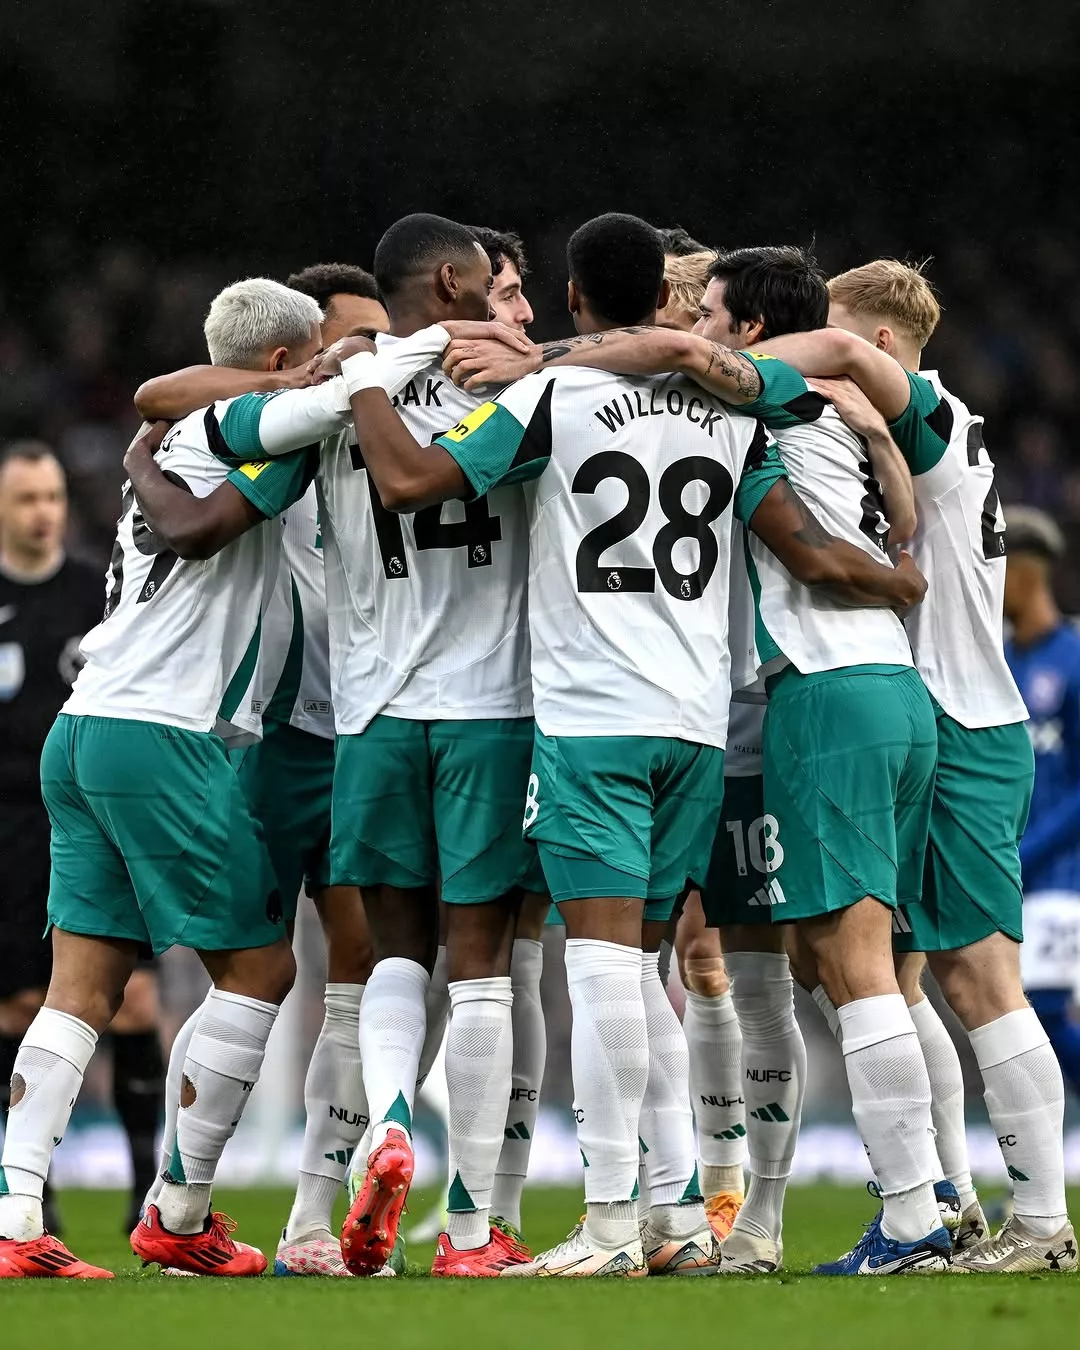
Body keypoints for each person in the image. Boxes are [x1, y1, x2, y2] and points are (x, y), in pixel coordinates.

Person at [344, 213, 926, 1277]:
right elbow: (797, 538)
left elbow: (414, 483)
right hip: (700, 725)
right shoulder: (726, 411)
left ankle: (611, 1220)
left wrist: (367, 381)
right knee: (662, 970)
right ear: (658, 297)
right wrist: (898, 563)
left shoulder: (554, 396)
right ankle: (673, 1217)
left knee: (606, 970)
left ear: (572, 299)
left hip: (593, 717)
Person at [195, 214, 538, 1278]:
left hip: (371, 716)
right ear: (451, 280)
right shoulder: (518, 388)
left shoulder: (337, 398)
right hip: (490, 707)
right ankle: (472, 1229)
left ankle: (387, 1121)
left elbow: (192, 415)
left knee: (390, 956)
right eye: (488, 281)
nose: (501, 299)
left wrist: (351, 374)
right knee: (479, 970)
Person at [0, 279, 328, 1279]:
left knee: (80, 988)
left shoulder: (177, 434)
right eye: (311, 356)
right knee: (262, 969)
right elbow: (212, 520)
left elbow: (161, 398)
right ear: (279, 368)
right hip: (159, 734)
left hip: (85, 726)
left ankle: (14, 1224)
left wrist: (149, 435)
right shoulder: (257, 440)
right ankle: (180, 1213)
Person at [753, 259, 1074, 1273]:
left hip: (951, 717)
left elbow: (839, 354)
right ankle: (955, 1197)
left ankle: (1028, 1223)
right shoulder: (938, 437)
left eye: (836, 339)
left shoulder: (928, 407)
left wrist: (722, 358)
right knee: (877, 969)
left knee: (975, 981)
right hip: (951, 716)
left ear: (884, 349)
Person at [133, 266, 393, 1277]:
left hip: (369, 731)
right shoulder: (263, 415)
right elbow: (162, 396)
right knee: (250, 974)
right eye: (351, 336)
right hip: (270, 734)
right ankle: (182, 1199)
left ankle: (313, 1224)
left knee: (363, 976)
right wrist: (312, 381)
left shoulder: (396, 420)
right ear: (294, 353)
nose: (372, 351)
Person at [0, 440, 165, 1239]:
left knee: (133, 1002)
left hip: (90, 815)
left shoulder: (91, 595)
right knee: (18, 1007)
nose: (44, 513)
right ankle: (37, 1199)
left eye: (54, 498)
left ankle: (144, 1193)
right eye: (28, 498)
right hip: (7, 834)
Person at [1003, 507, 1080, 1090]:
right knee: (1013, 1021)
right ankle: (1037, 1170)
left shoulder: (1073, 659)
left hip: (1059, 873)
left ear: (1027, 575)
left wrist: (1027, 852)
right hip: (1002, 872)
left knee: (1047, 1016)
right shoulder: (998, 662)